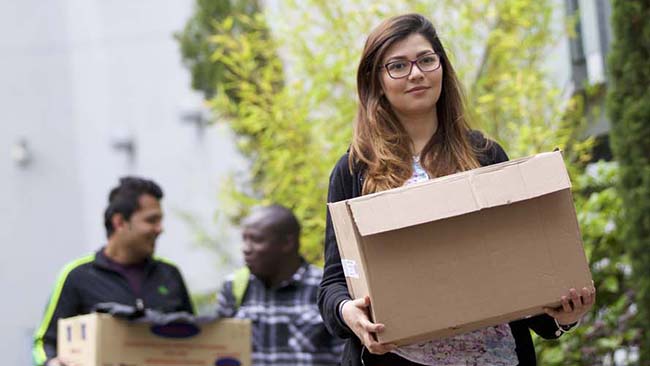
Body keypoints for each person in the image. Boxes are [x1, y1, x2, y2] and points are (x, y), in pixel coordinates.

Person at [317, 13, 596, 366]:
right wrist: (348, 313)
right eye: (398, 66)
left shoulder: (485, 155)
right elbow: (332, 284)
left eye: (426, 60)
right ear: (377, 81)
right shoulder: (355, 170)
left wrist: (563, 315)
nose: (416, 74)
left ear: (443, 69)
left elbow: (518, 266)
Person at [32, 177, 194, 366]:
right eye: (151, 220)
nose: (160, 229)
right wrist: (51, 363)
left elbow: (195, 338)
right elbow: (44, 343)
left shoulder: (170, 274)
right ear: (119, 222)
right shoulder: (77, 276)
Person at [217, 204, 344, 366]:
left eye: (256, 240)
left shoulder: (325, 289)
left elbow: (345, 356)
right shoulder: (234, 288)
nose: (246, 249)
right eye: (244, 239)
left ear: (287, 243)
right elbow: (218, 351)